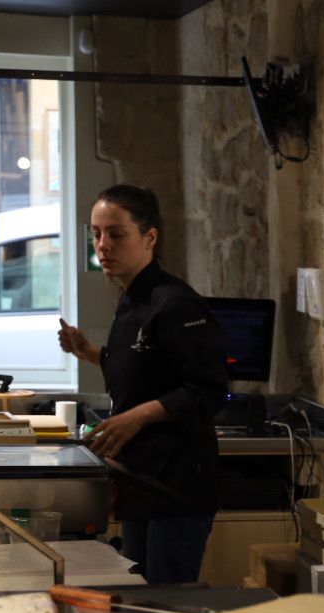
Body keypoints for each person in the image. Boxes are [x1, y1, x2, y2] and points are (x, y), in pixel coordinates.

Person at [57, 185, 227, 584]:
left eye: (116, 234)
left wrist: (136, 417)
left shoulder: (175, 302)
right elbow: (148, 363)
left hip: (177, 486)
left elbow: (209, 389)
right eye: (96, 234)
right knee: (137, 596)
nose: (103, 245)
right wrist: (93, 354)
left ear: (149, 238)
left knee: (164, 603)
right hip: (140, 482)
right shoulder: (131, 299)